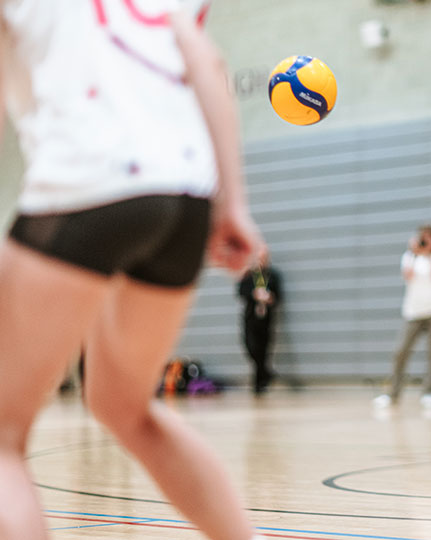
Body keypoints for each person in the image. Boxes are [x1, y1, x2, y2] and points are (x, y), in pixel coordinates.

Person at [0, 1, 265, 539]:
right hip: (184, 192)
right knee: (123, 406)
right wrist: (231, 203)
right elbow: (204, 62)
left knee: (2, 437)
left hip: (87, 177)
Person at [374, 224, 431, 408]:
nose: (425, 241)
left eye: (429, 237)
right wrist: (415, 253)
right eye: (422, 237)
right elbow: (407, 276)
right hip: (413, 312)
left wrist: (428, 255)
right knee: (400, 352)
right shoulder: (410, 257)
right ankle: (393, 393)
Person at [238, 250, 283, 394]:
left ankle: (259, 385)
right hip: (251, 318)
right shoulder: (248, 275)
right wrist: (254, 294)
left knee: (263, 351)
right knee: (251, 347)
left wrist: (269, 298)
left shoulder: (273, 276)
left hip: (266, 319)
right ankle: (266, 374)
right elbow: (241, 292)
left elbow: (279, 297)